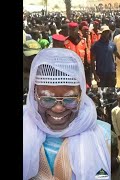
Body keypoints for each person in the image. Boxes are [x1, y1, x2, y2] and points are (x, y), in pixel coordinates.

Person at [23, 48, 111, 179]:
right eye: (47, 99)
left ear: (81, 95)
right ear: (34, 95)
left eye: (69, 99)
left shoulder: (104, 135)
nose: (58, 108)